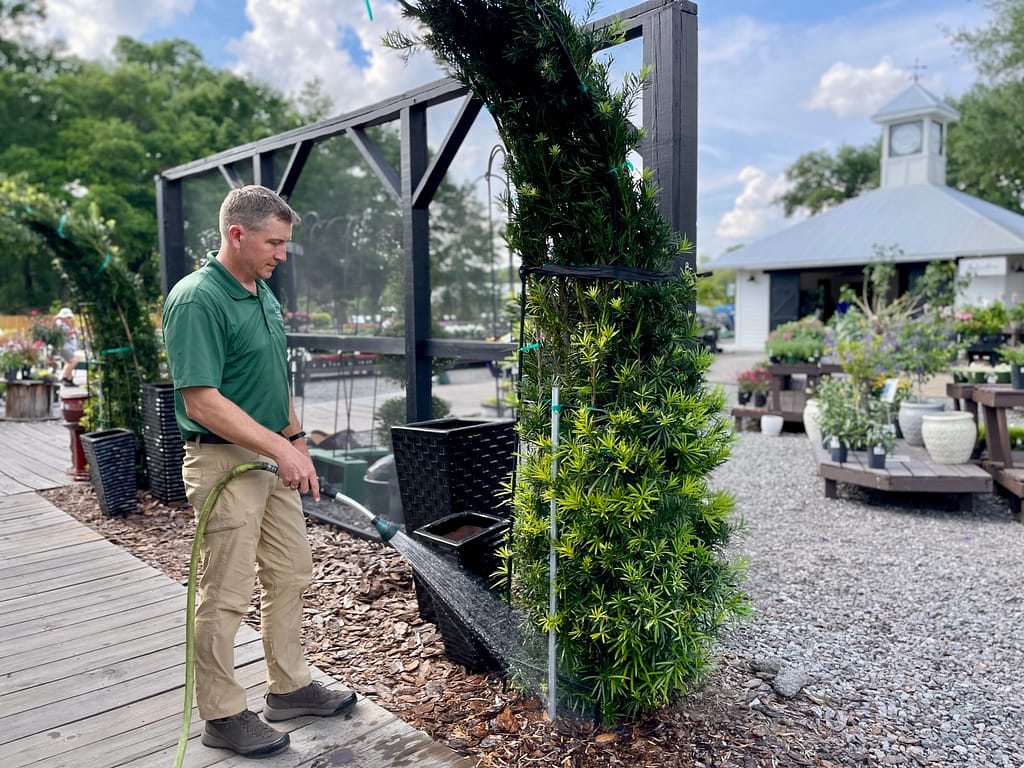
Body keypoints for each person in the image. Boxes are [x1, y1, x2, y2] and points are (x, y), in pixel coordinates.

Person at [162, 185, 356, 759]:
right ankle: (222, 714)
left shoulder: (261, 292)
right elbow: (201, 399)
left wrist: (295, 440)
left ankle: (289, 687)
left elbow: (275, 378)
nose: (282, 254)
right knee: (225, 592)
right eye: (274, 242)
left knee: (291, 571)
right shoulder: (197, 299)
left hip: (271, 457)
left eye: (285, 243)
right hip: (223, 460)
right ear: (236, 234)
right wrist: (280, 446)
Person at [54, 307, 78, 385]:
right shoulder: (61, 324)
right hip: (65, 347)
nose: (70, 319)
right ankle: (64, 378)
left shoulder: (65, 325)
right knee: (73, 362)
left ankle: (69, 379)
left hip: (69, 347)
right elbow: (67, 333)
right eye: (68, 317)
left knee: (68, 363)